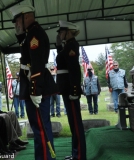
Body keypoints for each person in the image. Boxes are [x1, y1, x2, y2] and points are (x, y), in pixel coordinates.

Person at [9, 4, 57, 160]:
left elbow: (36, 63)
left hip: (36, 87)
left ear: (26, 16)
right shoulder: (29, 34)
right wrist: (20, 33)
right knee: (38, 127)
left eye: (18, 20)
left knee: (41, 128)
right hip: (33, 85)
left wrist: (35, 90)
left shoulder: (35, 33)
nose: (16, 23)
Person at [55, 20, 86, 160]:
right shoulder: (68, 46)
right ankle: (75, 154)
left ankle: (79, 156)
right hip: (66, 88)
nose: (59, 33)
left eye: (62, 31)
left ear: (68, 32)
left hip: (69, 89)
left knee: (76, 123)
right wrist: (58, 46)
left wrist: (75, 90)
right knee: (73, 123)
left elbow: (74, 70)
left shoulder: (72, 46)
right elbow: (63, 61)